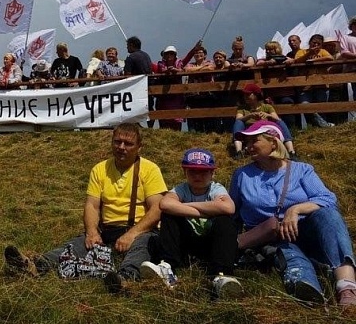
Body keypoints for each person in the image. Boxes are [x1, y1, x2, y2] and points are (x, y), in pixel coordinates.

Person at [3, 123, 167, 293]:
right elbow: (92, 205)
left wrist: (132, 234)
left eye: (128, 144)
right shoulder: (100, 169)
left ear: (139, 147)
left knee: (143, 245)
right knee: (76, 245)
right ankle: (35, 265)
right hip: (107, 230)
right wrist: (92, 232)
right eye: (117, 142)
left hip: (139, 230)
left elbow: (157, 209)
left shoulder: (150, 169)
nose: (121, 147)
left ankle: (125, 279)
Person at [229, 120, 356, 309]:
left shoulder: (301, 170)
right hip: (271, 236)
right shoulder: (242, 175)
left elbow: (327, 198)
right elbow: (233, 210)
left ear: (273, 142)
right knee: (290, 257)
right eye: (246, 143)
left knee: (329, 215)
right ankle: (306, 288)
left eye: (253, 141)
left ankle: (347, 287)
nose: (247, 147)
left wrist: (295, 210)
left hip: (306, 228)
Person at [140, 149, 242, 298]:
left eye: (203, 172)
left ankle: (222, 274)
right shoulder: (181, 188)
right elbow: (165, 204)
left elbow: (228, 207)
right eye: (192, 171)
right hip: (187, 242)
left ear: (212, 174)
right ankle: (167, 266)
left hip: (210, 243)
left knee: (224, 220)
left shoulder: (216, 188)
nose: (197, 176)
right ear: (185, 172)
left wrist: (184, 206)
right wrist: (208, 210)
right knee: (169, 216)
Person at [232, 84, 298, 160]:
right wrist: (250, 116)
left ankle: (291, 151)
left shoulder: (267, 107)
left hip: (265, 130)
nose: (245, 96)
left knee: (280, 122)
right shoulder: (242, 108)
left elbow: (276, 118)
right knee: (238, 122)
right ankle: (239, 151)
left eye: (248, 94)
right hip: (249, 131)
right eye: (245, 94)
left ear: (256, 95)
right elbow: (238, 118)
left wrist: (267, 115)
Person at [287, 34, 335, 128]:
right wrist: (309, 54)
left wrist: (313, 61)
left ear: (321, 45)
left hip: (321, 84)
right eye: (314, 43)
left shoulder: (323, 51)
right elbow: (297, 61)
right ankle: (325, 126)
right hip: (305, 85)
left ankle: (320, 130)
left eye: (318, 44)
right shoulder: (302, 52)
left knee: (321, 108)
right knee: (305, 106)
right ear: (309, 43)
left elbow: (330, 58)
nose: (315, 45)